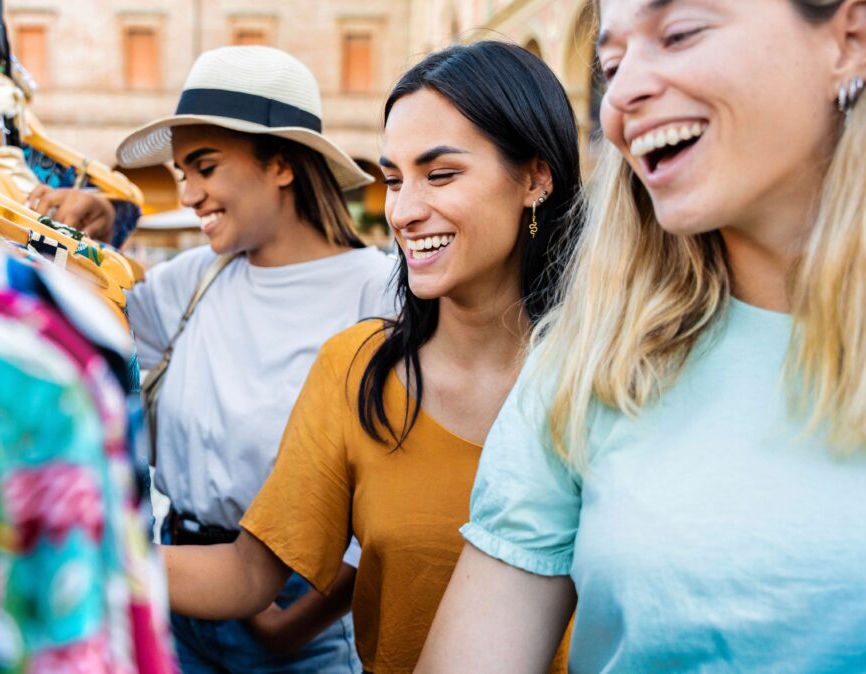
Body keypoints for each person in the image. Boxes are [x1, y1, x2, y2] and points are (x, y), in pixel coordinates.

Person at [418, 1, 866, 672]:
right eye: (611, 64)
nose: (621, 94)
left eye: (679, 34)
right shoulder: (587, 365)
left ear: (850, 38)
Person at [160, 42, 582, 673]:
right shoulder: (356, 367)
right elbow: (248, 575)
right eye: (393, 178)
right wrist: (53, 546)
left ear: (536, 178)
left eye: (440, 175)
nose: (404, 211)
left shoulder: (613, 380)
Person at [114, 46, 395, 672]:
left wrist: (292, 628)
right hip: (171, 594)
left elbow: (392, 496)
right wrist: (95, 226)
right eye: (181, 172)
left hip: (296, 621)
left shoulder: (374, 292)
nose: (188, 194)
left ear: (281, 164)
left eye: (204, 167)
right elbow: (84, 339)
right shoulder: (191, 281)